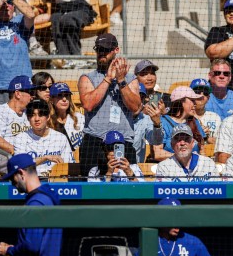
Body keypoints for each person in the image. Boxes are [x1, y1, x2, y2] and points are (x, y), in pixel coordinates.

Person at [78, 33, 141, 177]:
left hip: (123, 140)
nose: (101, 53)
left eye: (105, 50)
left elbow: (136, 107)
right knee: (90, 189)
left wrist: (121, 80)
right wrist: (108, 79)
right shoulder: (87, 77)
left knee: (128, 188)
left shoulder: (130, 79)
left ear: (116, 50)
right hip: (95, 140)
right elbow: (88, 104)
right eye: (98, 49)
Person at [0, 75, 32, 176]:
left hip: (19, 155)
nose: (32, 96)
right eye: (30, 92)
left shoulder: (28, 114)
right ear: (17, 93)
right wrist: (20, 151)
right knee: (27, 162)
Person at [12, 99, 74, 178]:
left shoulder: (60, 138)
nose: (37, 119)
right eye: (32, 115)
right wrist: (45, 158)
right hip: (31, 181)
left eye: (41, 114)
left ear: (48, 117)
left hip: (56, 180)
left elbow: (69, 165)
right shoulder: (21, 138)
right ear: (28, 118)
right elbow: (20, 166)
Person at [153, 86, 205, 162]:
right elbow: (158, 154)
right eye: (192, 101)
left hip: (194, 168)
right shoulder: (163, 122)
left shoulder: (195, 121)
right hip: (171, 167)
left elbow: (202, 150)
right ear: (181, 102)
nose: (195, 104)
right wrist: (184, 157)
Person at [154, 124, 218, 182]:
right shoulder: (164, 167)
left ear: (193, 143)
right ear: (172, 144)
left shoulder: (207, 163)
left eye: (186, 139)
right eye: (178, 139)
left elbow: (218, 190)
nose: (182, 143)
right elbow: (161, 193)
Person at [48, 82, 84, 153]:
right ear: (52, 99)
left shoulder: (79, 117)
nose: (64, 99)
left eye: (67, 95)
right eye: (60, 95)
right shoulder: (47, 122)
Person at [133, 84, 163, 163]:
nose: (138, 101)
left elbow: (156, 141)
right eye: (134, 97)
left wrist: (157, 124)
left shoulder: (146, 119)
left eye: (141, 97)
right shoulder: (116, 116)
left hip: (135, 168)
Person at [190, 78, 221, 144]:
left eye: (205, 92)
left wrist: (207, 138)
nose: (202, 95)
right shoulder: (184, 117)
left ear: (208, 98)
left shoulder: (215, 117)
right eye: (197, 91)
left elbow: (220, 142)